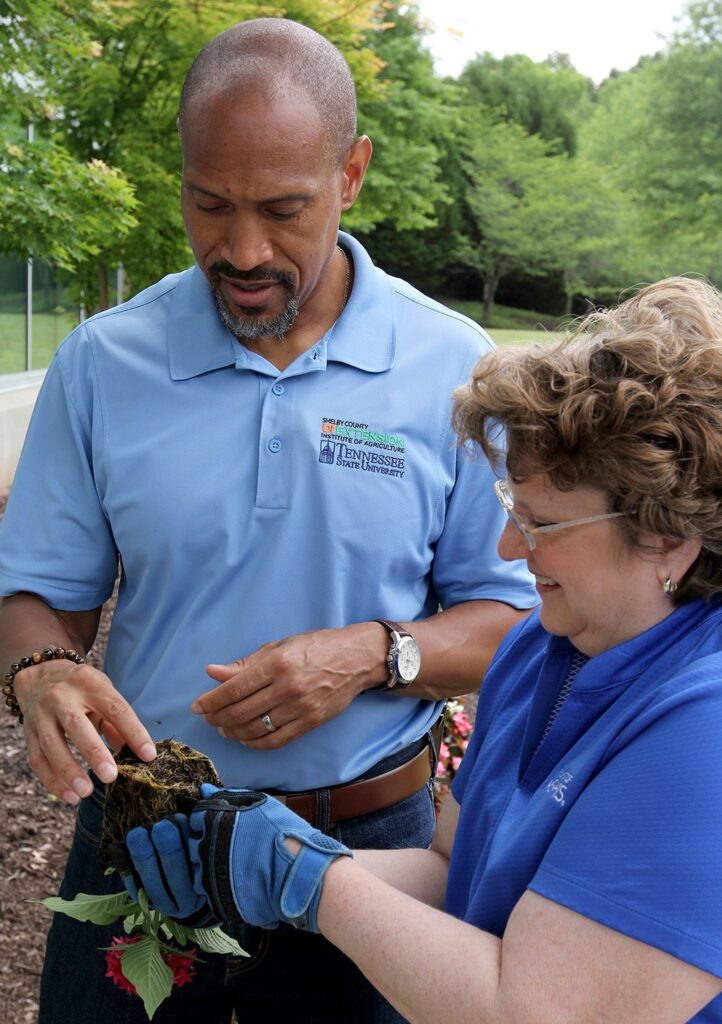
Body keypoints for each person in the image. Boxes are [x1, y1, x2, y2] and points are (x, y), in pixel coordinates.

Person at [0, 17, 537, 1024]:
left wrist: (374, 653)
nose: (241, 249)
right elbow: (39, 594)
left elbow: (518, 619)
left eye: (283, 209)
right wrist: (39, 674)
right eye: (210, 205)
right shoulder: (101, 363)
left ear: (353, 174)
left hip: (373, 864)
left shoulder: (454, 367)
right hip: (145, 843)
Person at [125, 275, 722, 1024]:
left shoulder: (704, 727)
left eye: (543, 524)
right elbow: (450, 869)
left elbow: (531, 1010)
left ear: (666, 535)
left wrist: (309, 883)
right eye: (514, 510)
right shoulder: (544, 648)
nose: (510, 547)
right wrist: (246, 857)